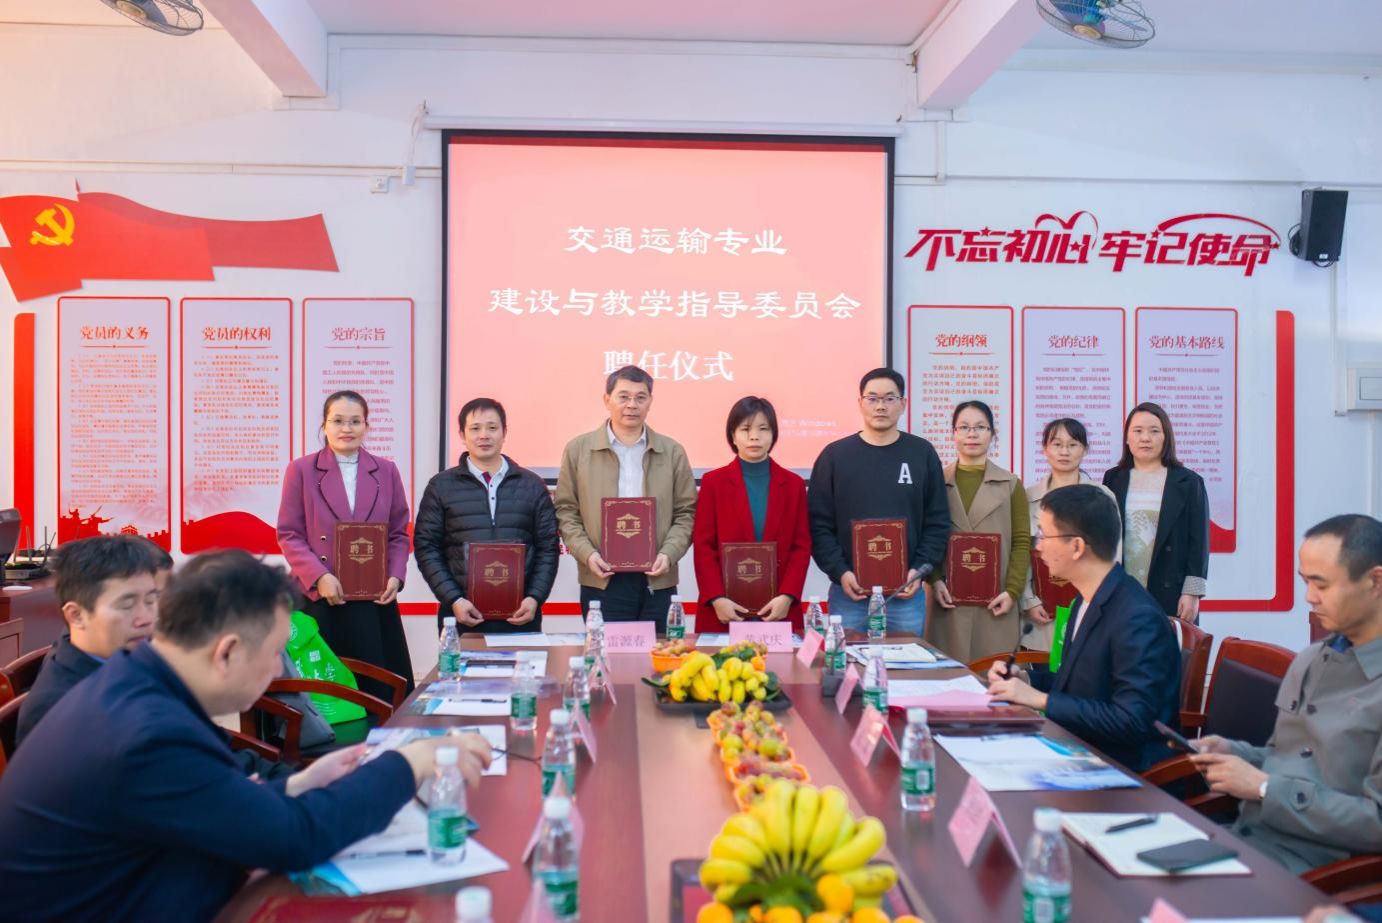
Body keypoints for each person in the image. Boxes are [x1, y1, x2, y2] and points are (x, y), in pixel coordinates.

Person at [0, 550, 491, 923]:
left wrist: (299, 783)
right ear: (227, 651)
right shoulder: (145, 731)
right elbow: (294, 837)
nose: (278, 670)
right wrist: (409, 764)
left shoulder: (140, 682)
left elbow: (224, 798)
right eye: (275, 652)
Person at [1188, 514, 1382, 875]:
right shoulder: (1312, 660)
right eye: (1305, 582)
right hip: (1245, 839)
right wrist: (1235, 753)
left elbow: (1376, 822)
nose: (1309, 597)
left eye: (1322, 585)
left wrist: (1264, 788)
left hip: (1313, 871)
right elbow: (1288, 760)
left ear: (1375, 581)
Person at [987, 484, 1181, 772]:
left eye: (1044, 535)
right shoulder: (1085, 599)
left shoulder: (1137, 618)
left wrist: (1040, 700)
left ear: (1077, 546)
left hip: (1125, 771)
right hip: (1078, 748)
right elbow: (1083, 685)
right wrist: (1026, 680)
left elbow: (1132, 721)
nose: (1037, 546)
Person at [277, 390, 414, 697]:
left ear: (366, 426)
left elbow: (397, 533)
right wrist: (319, 576)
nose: (346, 428)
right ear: (324, 425)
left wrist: (395, 575)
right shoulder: (301, 470)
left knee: (378, 689)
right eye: (338, 421)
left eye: (355, 421)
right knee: (326, 692)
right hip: (322, 597)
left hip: (373, 598)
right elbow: (289, 534)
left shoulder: (386, 470)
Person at [554, 365, 697, 631]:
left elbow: (686, 512)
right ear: (607, 399)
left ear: (650, 401)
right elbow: (566, 510)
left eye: (640, 397)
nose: (632, 405)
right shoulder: (579, 450)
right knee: (607, 654)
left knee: (659, 655)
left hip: (657, 578)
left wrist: (668, 554)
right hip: (602, 579)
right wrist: (588, 554)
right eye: (623, 396)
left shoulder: (672, 451)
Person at [807, 368, 949, 635]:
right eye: (872, 398)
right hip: (849, 594)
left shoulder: (922, 454)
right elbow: (819, 525)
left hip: (905, 595)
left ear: (903, 404)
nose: (881, 406)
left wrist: (918, 570)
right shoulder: (835, 457)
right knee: (847, 660)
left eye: (889, 398)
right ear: (860, 403)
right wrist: (841, 572)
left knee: (906, 661)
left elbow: (937, 521)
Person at [414, 397, 560, 634]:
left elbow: (548, 547)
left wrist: (535, 597)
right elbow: (426, 547)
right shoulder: (441, 486)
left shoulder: (532, 485)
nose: (484, 435)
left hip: (521, 614)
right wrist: (454, 599)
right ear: (462, 434)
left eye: (492, 427)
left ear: (504, 432)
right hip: (461, 615)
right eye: (475, 428)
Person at [15, 535, 161, 747]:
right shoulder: (61, 712)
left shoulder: (128, 659)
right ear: (76, 615)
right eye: (127, 606)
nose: (146, 619)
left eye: (151, 601)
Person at [692, 396, 811, 633]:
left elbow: (801, 546)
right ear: (733, 435)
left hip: (778, 608)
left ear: (773, 435)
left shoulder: (794, 484)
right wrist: (716, 598)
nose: (754, 436)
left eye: (763, 429)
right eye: (745, 429)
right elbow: (703, 546)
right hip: (725, 609)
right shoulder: (713, 482)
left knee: (782, 659)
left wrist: (788, 595)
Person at [927, 400, 1032, 664]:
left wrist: (1013, 591)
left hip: (996, 600)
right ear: (953, 433)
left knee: (993, 678)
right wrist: (935, 579)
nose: (971, 434)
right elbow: (927, 535)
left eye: (980, 427)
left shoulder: (1010, 484)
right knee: (947, 678)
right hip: (947, 599)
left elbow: (1021, 542)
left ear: (992, 434)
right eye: (964, 427)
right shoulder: (936, 482)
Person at [1103, 402, 1209, 621]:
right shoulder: (1113, 478)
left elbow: (1199, 542)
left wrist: (1192, 593)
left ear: (1166, 437)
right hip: (1121, 590)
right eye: (1138, 431)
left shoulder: (1189, 482)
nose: (1145, 438)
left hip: (1171, 591)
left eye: (1154, 431)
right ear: (1127, 438)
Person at [1019, 418, 1119, 651]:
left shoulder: (1102, 496)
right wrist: (1028, 601)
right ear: (1045, 449)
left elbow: (1113, 556)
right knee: (1044, 669)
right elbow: (1021, 551)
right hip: (1041, 613)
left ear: (1084, 449)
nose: (1064, 451)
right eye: (1057, 444)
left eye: (1073, 444)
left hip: (1089, 608)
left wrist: (1098, 602)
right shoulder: (1028, 497)